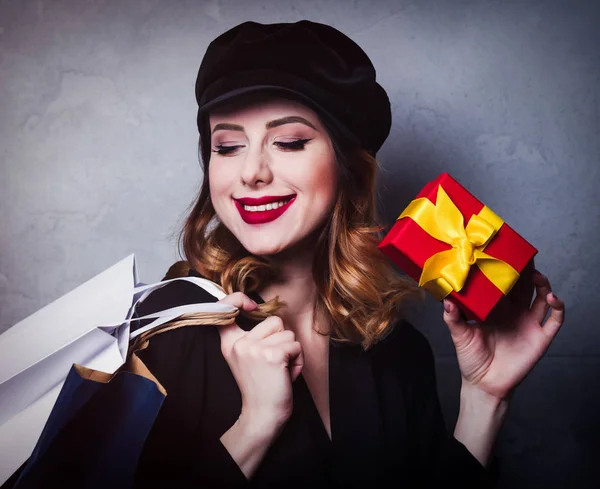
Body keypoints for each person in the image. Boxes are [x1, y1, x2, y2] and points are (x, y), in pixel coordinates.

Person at [131, 20, 565, 488]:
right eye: (228, 146)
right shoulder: (163, 328)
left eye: (290, 141)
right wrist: (256, 424)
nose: (252, 172)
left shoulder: (396, 350)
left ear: (347, 167)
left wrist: (485, 397)